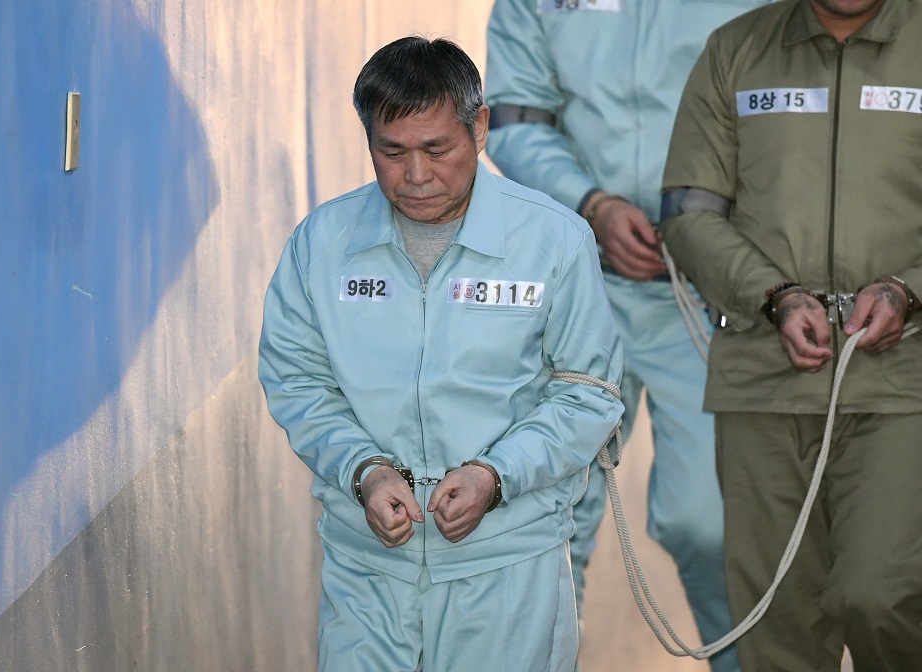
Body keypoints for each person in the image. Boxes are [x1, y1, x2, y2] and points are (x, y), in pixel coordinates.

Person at [259, 36, 624, 672]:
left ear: (479, 128)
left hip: (506, 568)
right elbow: (299, 382)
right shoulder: (322, 244)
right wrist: (364, 470)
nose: (417, 175)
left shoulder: (552, 240)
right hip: (368, 570)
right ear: (369, 141)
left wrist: (496, 475)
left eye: (438, 149)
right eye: (392, 153)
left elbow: (588, 391)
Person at [484, 2, 769, 670]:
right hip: (575, 287)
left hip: (708, 294)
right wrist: (593, 205)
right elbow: (514, 116)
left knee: (713, 525)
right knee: (547, 526)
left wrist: (712, 227)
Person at [660, 0, 922, 669]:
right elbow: (689, 211)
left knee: (881, 594)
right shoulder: (734, 49)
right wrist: (773, 296)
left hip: (903, 386)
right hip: (763, 381)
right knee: (776, 631)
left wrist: (907, 289)